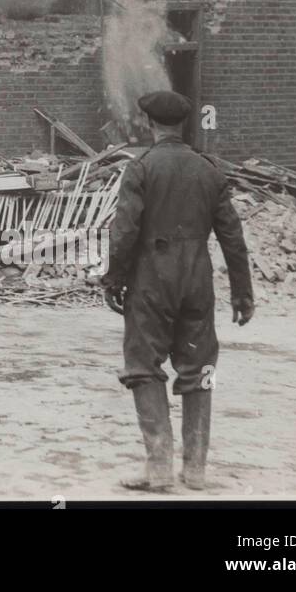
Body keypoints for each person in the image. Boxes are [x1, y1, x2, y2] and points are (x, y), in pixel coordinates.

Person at [100, 90, 255, 491]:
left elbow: (125, 231)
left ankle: (158, 470)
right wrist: (242, 293)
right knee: (199, 368)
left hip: (152, 279)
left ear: (150, 124)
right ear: (183, 125)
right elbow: (233, 237)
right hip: (197, 282)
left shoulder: (142, 168)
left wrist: (114, 279)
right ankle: (196, 470)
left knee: (144, 366)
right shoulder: (209, 171)